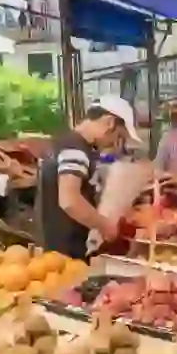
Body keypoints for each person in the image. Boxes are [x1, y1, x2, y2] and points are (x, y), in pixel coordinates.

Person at [39, 95, 143, 260]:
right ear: (110, 123)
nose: (115, 143)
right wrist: (105, 226)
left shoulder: (65, 141)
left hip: (55, 249)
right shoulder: (76, 149)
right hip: (67, 252)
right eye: (119, 136)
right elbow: (69, 200)